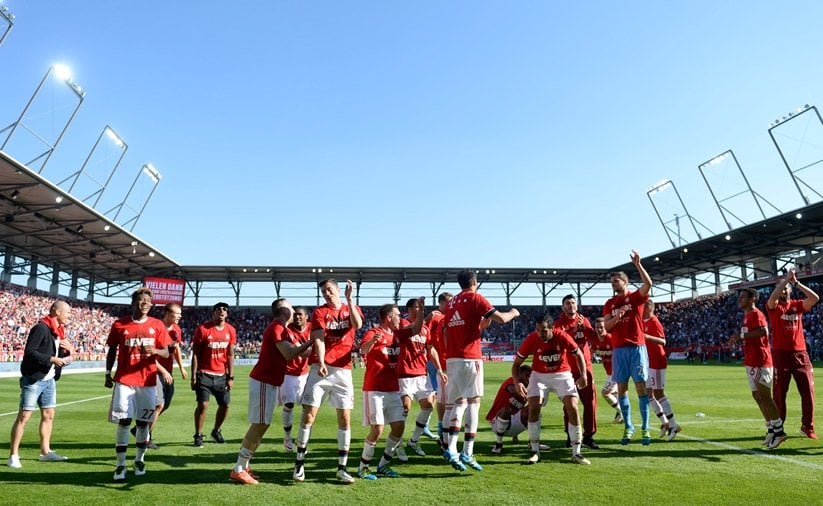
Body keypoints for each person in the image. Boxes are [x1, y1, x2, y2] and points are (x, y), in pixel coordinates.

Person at [229, 299, 314, 485]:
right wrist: (312, 341)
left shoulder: (280, 328)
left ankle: (244, 466)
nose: (293, 311)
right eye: (291, 308)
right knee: (259, 424)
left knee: (262, 424)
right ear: (284, 311)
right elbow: (290, 353)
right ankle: (238, 469)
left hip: (268, 381)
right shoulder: (277, 328)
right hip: (263, 381)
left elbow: (298, 352)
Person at [442, 270, 520, 472]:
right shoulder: (476, 298)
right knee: (474, 403)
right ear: (475, 282)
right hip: (470, 357)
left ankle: (451, 448)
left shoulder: (451, 303)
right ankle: (468, 451)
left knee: (458, 403)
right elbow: (502, 318)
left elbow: (471, 326)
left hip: (452, 358)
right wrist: (513, 312)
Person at [293, 279, 364, 484]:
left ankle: (342, 468)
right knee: (308, 416)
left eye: (329, 290)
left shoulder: (351, 307)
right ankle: (299, 465)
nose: (326, 293)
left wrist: (350, 300)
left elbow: (357, 324)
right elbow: (319, 339)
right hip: (320, 369)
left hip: (343, 371)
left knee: (345, 418)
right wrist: (322, 361)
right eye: (323, 291)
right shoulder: (319, 312)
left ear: (338, 290)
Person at [104, 287, 170, 481]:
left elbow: (167, 352)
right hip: (124, 380)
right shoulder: (119, 324)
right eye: (141, 300)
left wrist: (156, 351)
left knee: (142, 423)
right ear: (134, 303)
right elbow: (111, 350)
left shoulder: (157, 325)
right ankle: (120, 465)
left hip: (147, 381)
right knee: (124, 421)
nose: (145, 304)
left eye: (148, 302)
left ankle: (139, 460)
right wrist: (108, 373)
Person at [356, 301, 424, 480]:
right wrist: (372, 341)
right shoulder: (373, 332)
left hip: (394, 389)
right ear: (388, 318)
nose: (400, 318)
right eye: (398, 315)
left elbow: (416, 329)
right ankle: (363, 467)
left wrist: (422, 311)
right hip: (375, 389)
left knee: (399, 427)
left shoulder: (398, 334)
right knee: (377, 429)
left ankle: (383, 465)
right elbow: (362, 349)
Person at [511, 314, 590, 465]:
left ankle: (576, 453)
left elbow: (578, 353)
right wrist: (517, 383)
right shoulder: (531, 339)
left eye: (544, 330)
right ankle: (535, 451)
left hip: (562, 373)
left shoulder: (562, 336)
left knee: (573, 406)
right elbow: (516, 365)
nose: (541, 334)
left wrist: (583, 375)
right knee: (534, 407)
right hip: (539, 375)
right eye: (538, 330)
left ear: (553, 328)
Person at [7, 301, 74, 469]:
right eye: (67, 312)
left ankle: (45, 452)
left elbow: (58, 353)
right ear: (57, 312)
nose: (70, 316)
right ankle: (13, 455)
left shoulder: (58, 331)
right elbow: (30, 352)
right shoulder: (41, 328)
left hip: (49, 380)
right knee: (24, 416)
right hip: (33, 379)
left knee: (49, 415)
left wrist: (69, 351)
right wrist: (51, 359)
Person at [602, 250, 653, 445]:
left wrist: (638, 265)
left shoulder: (635, 298)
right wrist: (618, 315)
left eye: (617, 281)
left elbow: (648, 285)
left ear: (626, 282)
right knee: (621, 389)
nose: (614, 284)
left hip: (636, 348)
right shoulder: (609, 304)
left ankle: (645, 428)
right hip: (619, 350)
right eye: (612, 281)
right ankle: (628, 426)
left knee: (641, 388)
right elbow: (606, 326)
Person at [730, 288, 787, 449]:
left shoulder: (757, 314)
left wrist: (741, 336)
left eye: (743, 297)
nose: (739, 299)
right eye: (739, 297)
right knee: (757, 395)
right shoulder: (747, 316)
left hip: (761, 361)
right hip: (751, 361)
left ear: (752, 299)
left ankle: (779, 431)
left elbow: (763, 331)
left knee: (765, 396)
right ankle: (770, 428)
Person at [766, 268, 819, 440]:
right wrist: (785, 281)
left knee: (808, 392)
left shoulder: (797, 306)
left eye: (786, 288)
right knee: (780, 393)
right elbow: (772, 299)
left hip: (801, 354)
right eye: (781, 287)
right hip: (781, 354)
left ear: (790, 290)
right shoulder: (774, 308)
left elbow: (814, 298)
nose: (783, 289)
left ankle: (807, 427)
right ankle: (778, 428)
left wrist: (795, 282)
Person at [398, 298, 446, 460]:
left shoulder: (425, 329)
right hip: (404, 373)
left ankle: (414, 441)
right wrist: (424, 317)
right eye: (417, 307)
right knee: (404, 408)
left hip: (421, 374)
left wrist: (439, 369)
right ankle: (398, 445)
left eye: (421, 308)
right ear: (410, 309)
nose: (420, 310)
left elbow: (430, 349)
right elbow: (414, 328)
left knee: (428, 405)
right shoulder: (402, 324)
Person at [555, 294, 599, 449]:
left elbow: (595, 340)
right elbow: (561, 343)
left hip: (585, 369)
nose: (571, 305)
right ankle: (570, 435)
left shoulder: (584, 321)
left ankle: (588, 436)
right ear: (563, 307)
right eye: (567, 303)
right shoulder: (558, 324)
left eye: (573, 303)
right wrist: (575, 331)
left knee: (590, 403)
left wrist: (585, 329)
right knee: (569, 404)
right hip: (567, 370)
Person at [142, 303, 188, 449]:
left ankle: (141, 429)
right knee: (158, 405)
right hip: (154, 370)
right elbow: (149, 355)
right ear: (168, 313)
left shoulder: (176, 329)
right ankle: (146, 437)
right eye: (177, 313)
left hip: (168, 371)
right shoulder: (155, 328)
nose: (180, 316)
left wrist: (181, 367)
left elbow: (176, 348)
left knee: (166, 404)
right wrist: (164, 371)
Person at [191, 302, 237, 447]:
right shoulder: (203, 329)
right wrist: (193, 376)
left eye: (224, 310)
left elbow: (230, 355)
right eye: (218, 310)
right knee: (203, 405)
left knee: (225, 405)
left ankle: (216, 431)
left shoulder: (231, 330)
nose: (221, 312)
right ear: (213, 313)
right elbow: (196, 354)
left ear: (227, 314)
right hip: (204, 374)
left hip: (222, 375)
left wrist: (230, 377)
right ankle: (198, 435)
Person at [643, 299, 681, 441]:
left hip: (657, 360)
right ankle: (665, 423)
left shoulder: (654, 321)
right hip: (647, 361)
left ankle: (674, 425)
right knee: (648, 394)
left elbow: (663, 341)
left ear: (650, 308)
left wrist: (648, 337)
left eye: (644, 306)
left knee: (659, 393)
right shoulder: (642, 322)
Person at [281, 305, 312, 452]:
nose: (297, 317)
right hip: (288, 373)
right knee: (289, 405)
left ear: (306, 316)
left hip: (305, 374)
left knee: (308, 408)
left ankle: (302, 441)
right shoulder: (287, 330)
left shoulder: (313, 329)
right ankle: (287, 437)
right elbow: (302, 353)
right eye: (295, 315)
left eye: (300, 314)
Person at [427, 292, 453, 448]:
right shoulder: (436, 316)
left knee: (441, 396)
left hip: (444, 361)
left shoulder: (447, 317)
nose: (450, 305)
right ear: (441, 302)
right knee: (442, 396)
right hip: (437, 361)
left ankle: (441, 428)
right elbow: (425, 332)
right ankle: (442, 429)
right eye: (448, 302)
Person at [486, 364, 531, 454]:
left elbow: (518, 411)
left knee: (533, 409)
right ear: (519, 375)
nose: (528, 378)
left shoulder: (526, 390)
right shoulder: (511, 381)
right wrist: (532, 395)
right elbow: (513, 391)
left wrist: (515, 436)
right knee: (506, 410)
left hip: (512, 426)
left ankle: (532, 442)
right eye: (526, 375)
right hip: (497, 422)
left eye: (530, 376)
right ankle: (498, 444)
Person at [591, 317, 623, 424]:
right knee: (614, 394)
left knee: (605, 393)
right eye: (597, 327)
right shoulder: (595, 341)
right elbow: (591, 351)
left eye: (601, 327)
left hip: (617, 372)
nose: (599, 329)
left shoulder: (611, 339)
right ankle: (620, 414)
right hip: (609, 372)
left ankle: (622, 411)